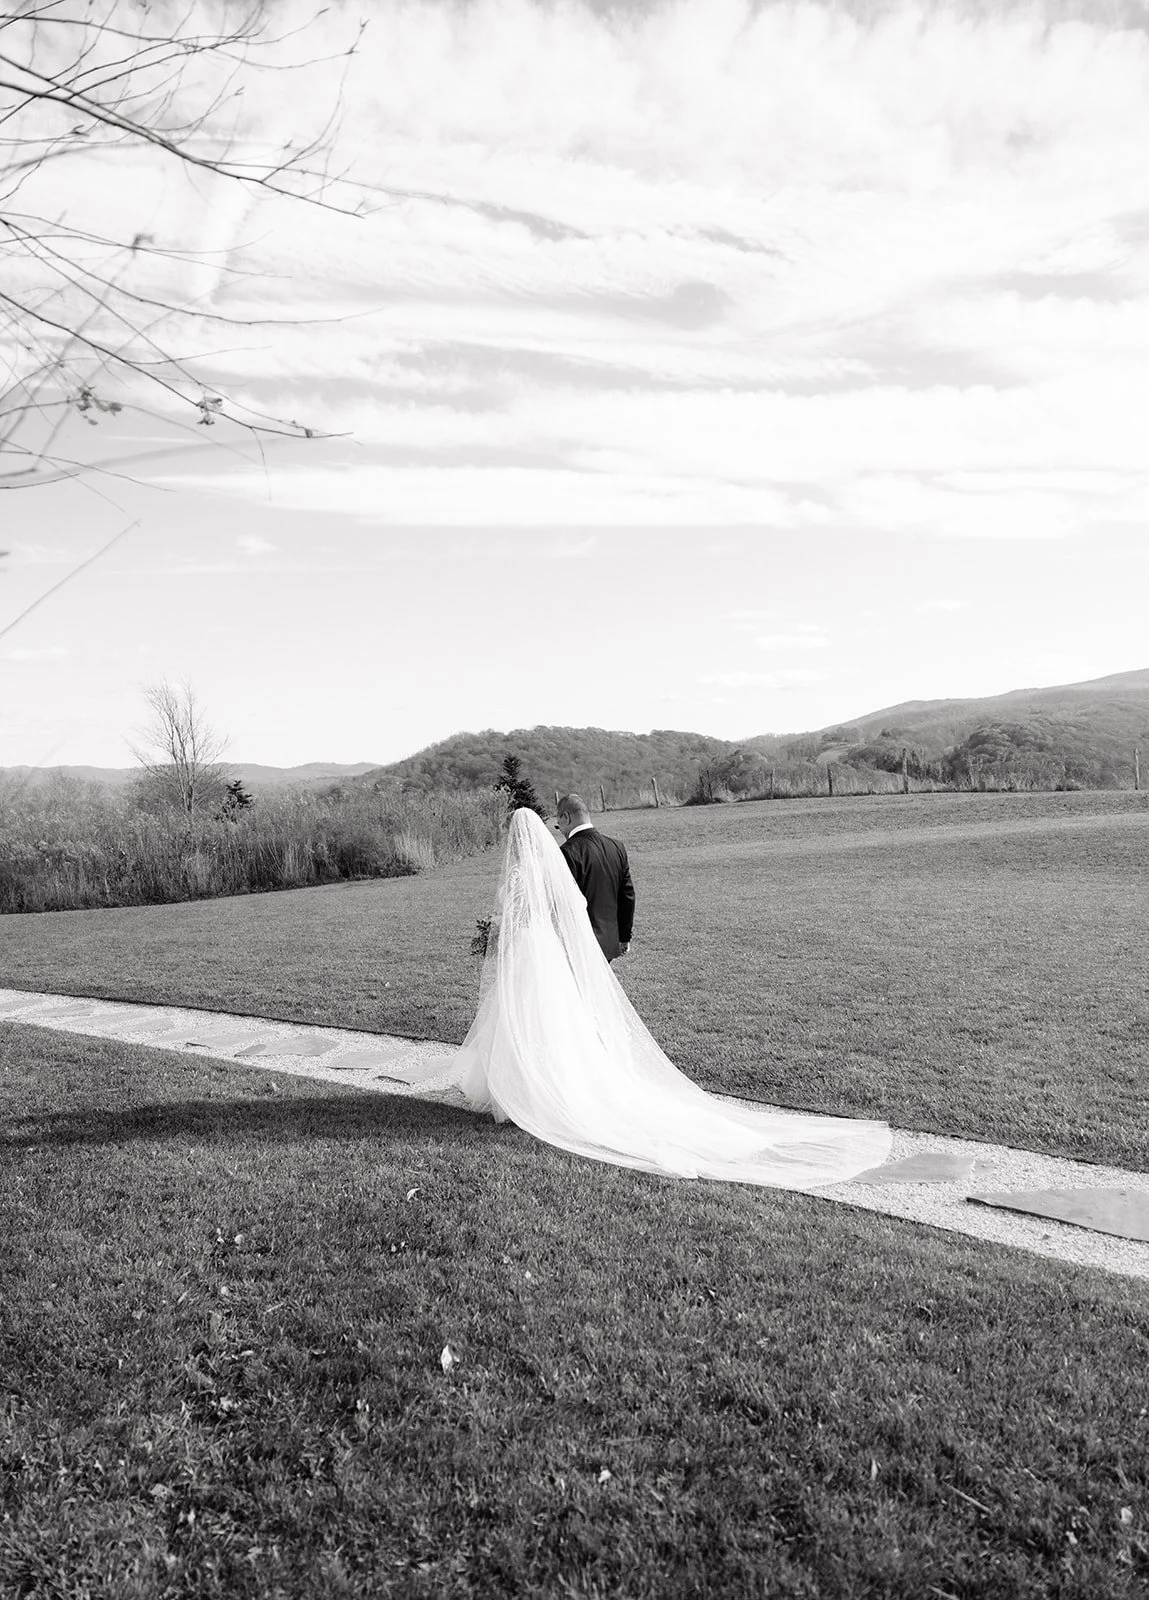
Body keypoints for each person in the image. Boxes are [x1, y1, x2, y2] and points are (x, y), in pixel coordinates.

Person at [403, 808, 891, 1190]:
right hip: (555, 951)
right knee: (555, 1021)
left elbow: (528, 912)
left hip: (534, 953)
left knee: (531, 1019)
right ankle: (540, 1083)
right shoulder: (592, 852)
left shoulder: (522, 876)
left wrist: (499, 933)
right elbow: (602, 900)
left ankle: (527, 1092)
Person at [555, 793, 635, 962]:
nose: (561, 831)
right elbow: (627, 896)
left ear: (566, 817)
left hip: (580, 946)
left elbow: (562, 904)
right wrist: (624, 936)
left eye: (558, 825)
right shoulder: (617, 847)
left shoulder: (566, 853)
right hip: (609, 942)